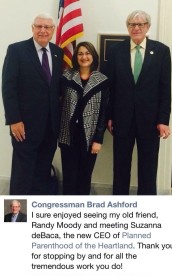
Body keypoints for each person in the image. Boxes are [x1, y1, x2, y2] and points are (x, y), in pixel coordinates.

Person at [106, 10, 171, 195]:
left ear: (147, 27)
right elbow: (109, 87)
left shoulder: (161, 51)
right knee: (120, 168)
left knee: (148, 169)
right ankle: (120, 207)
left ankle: (146, 209)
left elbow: (165, 89)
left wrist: (163, 120)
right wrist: (109, 116)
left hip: (150, 122)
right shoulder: (115, 51)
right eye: (132, 24)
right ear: (127, 27)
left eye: (140, 24)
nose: (136, 28)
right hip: (121, 120)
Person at [2, 13, 63, 195]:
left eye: (47, 27)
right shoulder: (17, 50)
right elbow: (8, 87)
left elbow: (55, 89)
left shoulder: (57, 52)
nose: (43, 30)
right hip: (24, 126)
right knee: (23, 173)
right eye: (39, 26)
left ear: (53, 30)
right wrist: (14, 120)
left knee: (42, 172)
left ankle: (37, 211)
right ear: (32, 28)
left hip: (50, 127)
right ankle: (17, 216)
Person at [58, 41, 109, 195]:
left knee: (84, 177)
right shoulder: (66, 77)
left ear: (93, 56)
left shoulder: (102, 80)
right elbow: (58, 105)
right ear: (76, 57)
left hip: (90, 136)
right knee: (69, 177)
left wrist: (98, 139)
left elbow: (104, 113)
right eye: (80, 53)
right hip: (68, 135)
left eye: (87, 53)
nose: (84, 57)